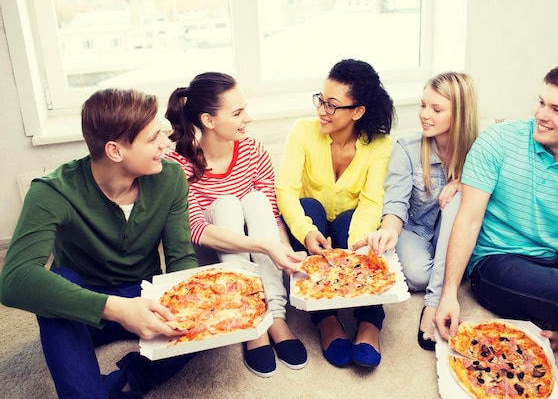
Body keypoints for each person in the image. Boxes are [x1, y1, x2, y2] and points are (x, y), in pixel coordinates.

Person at [432, 61, 558, 398]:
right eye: (541, 102)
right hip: (496, 267)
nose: (541, 114)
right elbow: (468, 219)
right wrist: (448, 294)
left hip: (557, 260)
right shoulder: (499, 141)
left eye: (556, 109)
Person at [0, 88, 200, 399]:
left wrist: (190, 303)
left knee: (206, 314)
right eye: (152, 138)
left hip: (147, 299)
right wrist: (116, 308)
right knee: (56, 284)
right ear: (115, 151)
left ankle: (128, 380)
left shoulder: (170, 177)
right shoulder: (51, 192)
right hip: (84, 307)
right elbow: (14, 280)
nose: (166, 142)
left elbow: (180, 257)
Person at [163, 72, 307, 378]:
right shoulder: (178, 165)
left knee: (255, 200)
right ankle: (247, 316)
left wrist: (283, 251)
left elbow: (270, 211)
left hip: (255, 248)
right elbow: (198, 231)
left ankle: (276, 316)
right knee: (227, 203)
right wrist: (266, 246)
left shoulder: (253, 150)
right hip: (212, 255)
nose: (248, 118)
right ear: (209, 120)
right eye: (238, 112)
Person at [275, 58, 395, 368]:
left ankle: (369, 321)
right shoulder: (302, 131)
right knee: (307, 206)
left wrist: (356, 247)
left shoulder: (381, 145)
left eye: (332, 105)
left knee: (350, 223)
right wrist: (305, 231)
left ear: (357, 111)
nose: (321, 111)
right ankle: (326, 318)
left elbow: (371, 202)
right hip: (311, 223)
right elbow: (285, 189)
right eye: (321, 100)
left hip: (349, 226)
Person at [364, 72, 480, 351]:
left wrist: (463, 183)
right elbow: (396, 203)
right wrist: (389, 230)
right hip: (415, 228)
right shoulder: (407, 148)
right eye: (423, 105)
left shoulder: (480, 150)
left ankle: (434, 303)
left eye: (436, 109)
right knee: (415, 276)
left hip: (455, 231)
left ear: (460, 114)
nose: (424, 115)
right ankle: (450, 272)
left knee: (458, 199)